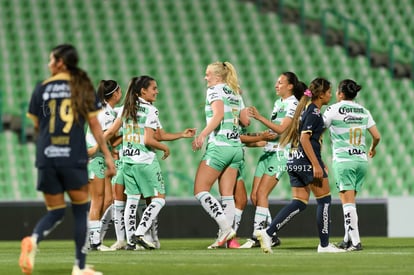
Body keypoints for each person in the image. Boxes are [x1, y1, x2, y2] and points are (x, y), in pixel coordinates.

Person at [20, 44, 115, 275]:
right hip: (72, 156)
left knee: (55, 210)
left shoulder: (41, 88)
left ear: (60, 62)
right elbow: (94, 126)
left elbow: (36, 125)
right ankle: (79, 267)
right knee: (81, 210)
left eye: (51, 59)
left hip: (46, 156)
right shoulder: (82, 86)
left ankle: (33, 239)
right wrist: (109, 157)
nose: (48, 63)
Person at [103, 76, 195, 250]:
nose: (157, 91)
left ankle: (130, 241)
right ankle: (140, 233)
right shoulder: (150, 110)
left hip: (128, 162)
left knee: (132, 200)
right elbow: (149, 140)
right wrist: (164, 149)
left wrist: (181, 135)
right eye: (154, 88)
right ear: (143, 91)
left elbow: (112, 132)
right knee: (159, 200)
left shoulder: (127, 108)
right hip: (145, 161)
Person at [255, 77, 345, 253]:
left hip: (294, 159)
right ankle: (325, 245)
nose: (329, 95)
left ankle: (268, 232)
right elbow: (305, 138)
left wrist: (320, 161)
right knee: (324, 201)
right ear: (320, 95)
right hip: (306, 162)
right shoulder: (314, 112)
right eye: (328, 92)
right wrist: (316, 165)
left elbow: (308, 139)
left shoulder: (303, 111)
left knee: (299, 202)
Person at [240, 72, 304, 249]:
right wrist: (253, 139)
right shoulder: (278, 103)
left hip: (280, 154)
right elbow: (273, 133)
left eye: (280, 82)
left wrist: (259, 117)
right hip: (268, 151)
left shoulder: (293, 104)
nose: (276, 85)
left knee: (262, 194)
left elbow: (282, 130)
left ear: (290, 86)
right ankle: (271, 234)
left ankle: (258, 235)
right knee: (254, 196)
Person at [192, 61, 250, 249]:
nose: (205, 77)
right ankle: (225, 239)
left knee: (200, 190)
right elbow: (245, 121)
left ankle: (225, 229)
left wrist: (202, 135)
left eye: (208, 74)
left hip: (220, 145)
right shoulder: (235, 91)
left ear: (218, 76)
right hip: (236, 148)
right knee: (227, 196)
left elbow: (217, 116)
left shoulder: (214, 90)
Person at [323, 79, 381, 251]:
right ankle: (347, 239)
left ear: (340, 93)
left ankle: (355, 242)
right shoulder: (364, 111)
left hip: (344, 160)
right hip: (361, 161)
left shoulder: (333, 109)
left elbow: (319, 129)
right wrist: (372, 148)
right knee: (349, 201)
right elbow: (377, 136)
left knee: (348, 203)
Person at [85, 80, 122, 251]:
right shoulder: (105, 114)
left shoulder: (108, 112)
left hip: (100, 158)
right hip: (95, 159)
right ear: (115, 94)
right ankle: (94, 242)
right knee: (97, 200)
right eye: (119, 90)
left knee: (107, 200)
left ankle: (91, 236)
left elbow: (111, 138)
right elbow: (106, 135)